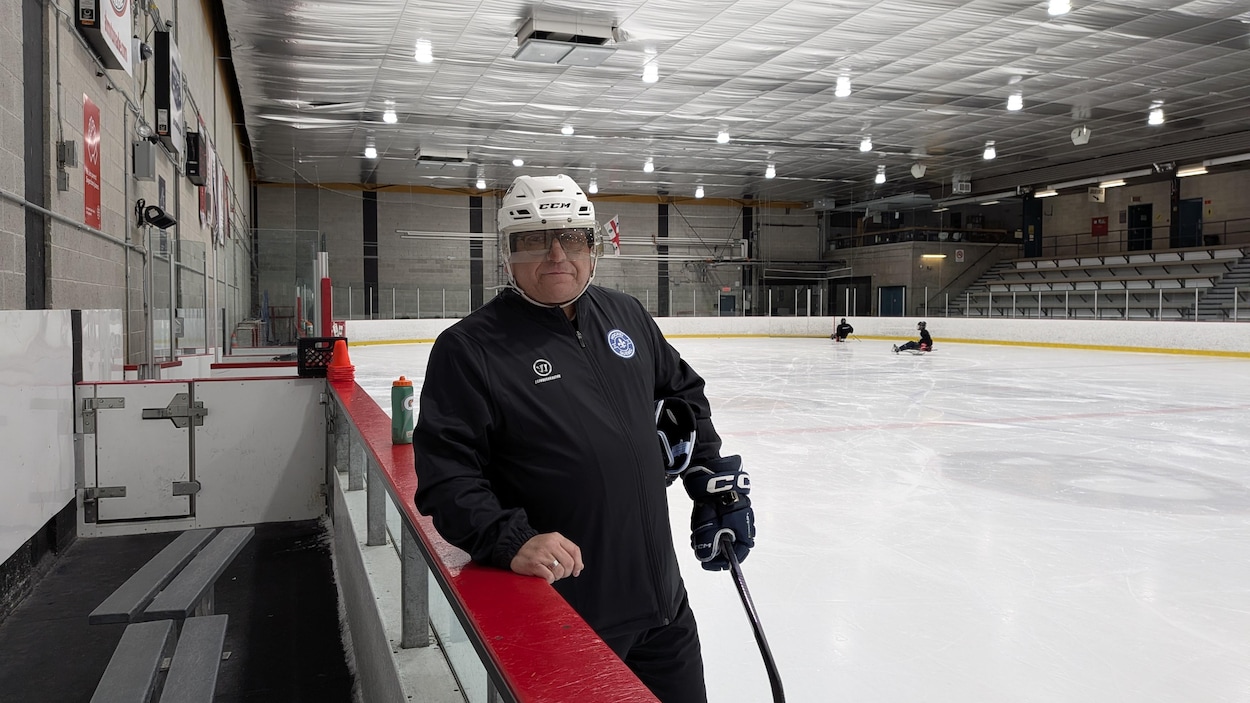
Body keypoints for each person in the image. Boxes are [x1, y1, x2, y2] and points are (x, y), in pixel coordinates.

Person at [412, 174, 754, 703]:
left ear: (593, 248)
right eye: (534, 239)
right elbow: (447, 478)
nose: (556, 253)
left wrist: (710, 481)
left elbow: (684, 395)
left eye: (571, 237)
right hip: (568, 616)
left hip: (663, 607)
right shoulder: (470, 349)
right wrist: (510, 539)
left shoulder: (626, 316)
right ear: (509, 254)